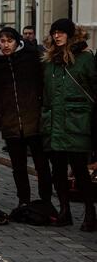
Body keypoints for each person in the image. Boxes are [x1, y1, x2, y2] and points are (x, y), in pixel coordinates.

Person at [0, 27, 52, 210]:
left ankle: (45, 200)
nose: (6, 44)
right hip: (10, 122)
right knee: (18, 166)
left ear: (17, 42)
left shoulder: (30, 58)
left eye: (9, 41)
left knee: (41, 165)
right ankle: (23, 199)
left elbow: (42, 84)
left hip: (34, 120)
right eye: (2, 41)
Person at [41, 18, 95, 230]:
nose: (57, 36)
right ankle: (65, 211)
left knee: (81, 172)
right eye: (54, 32)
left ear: (71, 34)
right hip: (54, 123)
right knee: (58, 171)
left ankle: (90, 213)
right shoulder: (48, 61)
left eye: (61, 32)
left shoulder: (85, 58)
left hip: (77, 123)